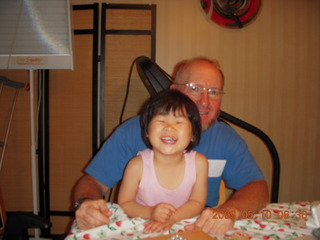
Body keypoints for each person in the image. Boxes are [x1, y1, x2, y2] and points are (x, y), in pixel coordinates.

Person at [73, 57, 269, 236]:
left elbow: (258, 189)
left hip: (196, 229)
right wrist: (86, 204)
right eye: (195, 88)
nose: (205, 101)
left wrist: (229, 212)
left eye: (214, 92)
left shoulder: (226, 138)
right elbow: (93, 182)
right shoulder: (134, 130)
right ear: (174, 91)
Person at [117, 89, 208, 233]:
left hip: (182, 226)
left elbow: (197, 202)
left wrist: (173, 218)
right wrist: (151, 213)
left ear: (193, 134)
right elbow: (124, 204)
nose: (169, 127)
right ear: (147, 131)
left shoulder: (199, 163)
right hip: (144, 227)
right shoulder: (137, 165)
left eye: (179, 122)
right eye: (161, 120)